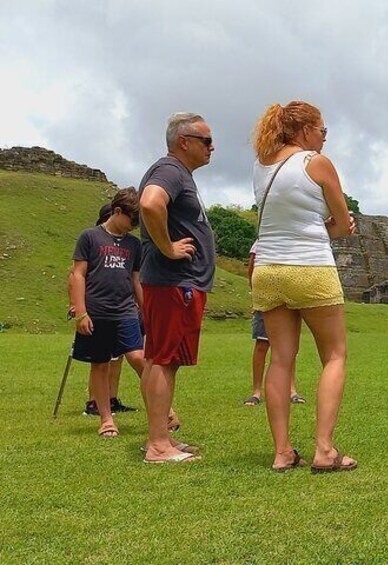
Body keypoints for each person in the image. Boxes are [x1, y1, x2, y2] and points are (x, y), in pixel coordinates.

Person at [251, 101, 356, 473]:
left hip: (266, 269)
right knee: (334, 355)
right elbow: (342, 225)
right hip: (309, 266)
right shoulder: (316, 163)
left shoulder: (261, 166)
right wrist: (333, 226)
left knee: (281, 358)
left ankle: (282, 452)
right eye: (323, 130)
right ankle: (324, 449)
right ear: (305, 129)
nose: (325, 138)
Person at [138, 112, 216, 463]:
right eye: (206, 141)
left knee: (158, 358)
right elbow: (150, 203)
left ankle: (161, 438)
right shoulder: (170, 170)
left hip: (170, 283)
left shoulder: (177, 173)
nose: (212, 147)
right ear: (183, 142)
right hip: (174, 282)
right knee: (166, 360)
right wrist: (168, 247)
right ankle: (158, 445)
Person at [67, 189, 144, 438]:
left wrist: (147, 311)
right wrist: (80, 312)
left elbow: (137, 281)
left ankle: (166, 411)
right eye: (132, 220)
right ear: (118, 211)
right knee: (100, 365)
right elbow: (77, 275)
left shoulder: (134, 244)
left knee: (139, 358)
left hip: (126, 312)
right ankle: (106, 420)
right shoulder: (90, 237)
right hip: (96, 313)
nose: (134, 227)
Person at [244, 241, 305, 406]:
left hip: (290, 299)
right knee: (262, 344)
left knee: (289, 348)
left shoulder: (295, 240)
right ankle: (256, 391)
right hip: (266, 299)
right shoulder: (262, 242)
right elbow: (252, 269)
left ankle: (291, 389)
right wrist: (257, 295)